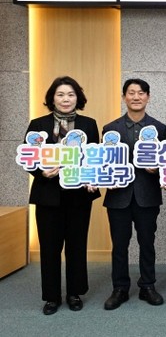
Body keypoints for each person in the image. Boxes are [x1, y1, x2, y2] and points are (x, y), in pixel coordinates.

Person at [26, 76, 100, 315]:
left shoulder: (89, 124)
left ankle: (74, 293)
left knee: (77, 245)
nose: (65, 99)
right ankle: (51, 297)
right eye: (60, 94)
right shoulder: (38, 124)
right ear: (52, 98)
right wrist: (40, 171)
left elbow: (94, 157)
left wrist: (92, 178)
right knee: (49, 247)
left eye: (70, 94)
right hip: (48, 194)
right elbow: (27, 157)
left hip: (78, 195)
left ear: (78, 98)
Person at [102, 79, 166, 310]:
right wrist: (104, 178)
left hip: (147, 195)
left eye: (141, 93)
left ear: (148, 97)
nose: (136, 97)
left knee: (147, 243)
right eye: (131, 93)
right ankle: (119, 288)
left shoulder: (159, 128)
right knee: (119, 245)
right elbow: (103, 161)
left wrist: (157, 169)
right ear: (124, 97)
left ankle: (147, 285)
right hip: (118, 196)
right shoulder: (110, 129)